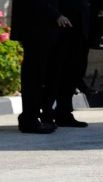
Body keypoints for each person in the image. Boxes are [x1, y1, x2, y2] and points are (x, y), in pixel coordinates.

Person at [10, 0, 59, 134]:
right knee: (33, 76)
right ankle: (29, 120)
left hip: (40, 28)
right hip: (35, 28)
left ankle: (32, 117)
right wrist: (56, 15)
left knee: (38, 76)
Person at [44, 0, 92, 128]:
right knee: (56, 72)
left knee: (74, 71)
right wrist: (56, 14)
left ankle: (64, 113)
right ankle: (46, 113)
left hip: (81, 22)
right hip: (60, 23)